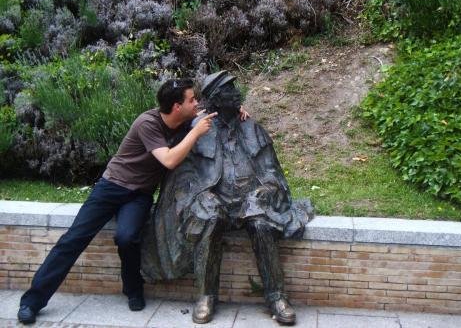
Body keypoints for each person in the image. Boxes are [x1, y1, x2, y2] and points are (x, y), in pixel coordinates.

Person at [17, 78, 224, 324]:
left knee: (127, 237)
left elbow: (215, 111)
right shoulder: (148, 123)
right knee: (73, 239)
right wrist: (195, 133)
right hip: (111, 187)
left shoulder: (184, 120)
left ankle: (133, 290)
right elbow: (168, 160)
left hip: (139, 195)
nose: (196, 103)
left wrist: (241, 111)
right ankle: (32, 302)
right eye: (192, 100)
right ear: (177, 106)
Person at [141, 71, 314, 325]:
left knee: (260, 220)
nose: (236, 94)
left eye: (235, 89)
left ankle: (277, 296)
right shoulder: (198, 131)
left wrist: (264, 192)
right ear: (216, 100)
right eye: (229, 91)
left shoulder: (252, 127)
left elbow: (272, 172)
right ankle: (205, 297)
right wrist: (200, 195)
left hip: (250, 201)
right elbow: (182, 176)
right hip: (216, 201)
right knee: (211, 218)